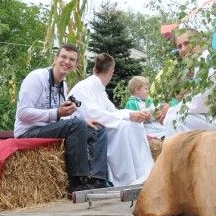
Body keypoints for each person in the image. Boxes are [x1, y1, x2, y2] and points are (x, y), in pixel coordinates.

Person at [13, 44, 109, 192]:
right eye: (63, 57)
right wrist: (57, 113)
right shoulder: (37, 77)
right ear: (55, 59)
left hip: (47, 128)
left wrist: (82, 121)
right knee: (76, 124)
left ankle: (97, 180)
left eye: (72, 59)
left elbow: (61, 119)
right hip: (27, 131)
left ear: (76, 65)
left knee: (98, 130)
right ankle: (77, 182)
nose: (67, 61)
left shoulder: (62, 85)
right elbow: (23, 113)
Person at [69, 53, 155, 187]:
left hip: (98, 124)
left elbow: (113, 111)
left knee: (133, 125)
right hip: (84, 127)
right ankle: (125, 179)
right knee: (124, 127)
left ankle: (142, 174)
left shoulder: (99, 89)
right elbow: (94, 114)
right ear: (112, 72)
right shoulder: (86, 86)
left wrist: (135, 114)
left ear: (94, 68)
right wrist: (129, 116)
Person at [163, 30, 216, 135]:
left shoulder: (209, 58)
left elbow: (203, 101)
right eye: (179, 46)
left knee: (175, 120)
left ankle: (174, 151)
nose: (183, 49)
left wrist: (171, 110)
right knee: (173, 118)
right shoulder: (201, 61)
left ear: (200, 42)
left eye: (186, 43)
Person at [125, 75, 168, 140]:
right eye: (146, 89)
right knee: (160, 136)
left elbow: (157, 106)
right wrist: (145, 117)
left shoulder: (148, 100)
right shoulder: (132, 103)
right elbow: (132, 122)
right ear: (137, 90)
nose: (148, 91)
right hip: (145, 129)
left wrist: (162, 108)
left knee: (167, 131)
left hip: (155, 125)